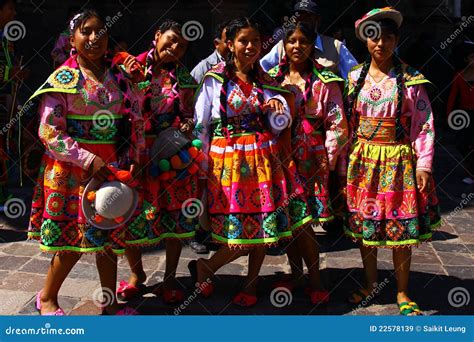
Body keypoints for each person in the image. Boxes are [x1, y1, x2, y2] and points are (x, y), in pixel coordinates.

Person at [26, 9, 144, 315]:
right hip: (71, 169)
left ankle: (110, 302)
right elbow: (49, 130)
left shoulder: (119, 78)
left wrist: (132, 156)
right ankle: (47, 297)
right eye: (86, 31)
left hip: (111, 166)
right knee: (71, 242)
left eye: (100, 32)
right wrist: (87, 159)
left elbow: (135, 119)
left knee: (107, 238)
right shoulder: (63, 79)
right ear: (72, 39)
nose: (94, 38)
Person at [191, 17, 311, 307]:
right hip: (227, 163)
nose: (250, 46)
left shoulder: (267, 81)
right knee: (238, 233)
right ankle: (207, 267)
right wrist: (201, 168)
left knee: (262, 227)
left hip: (262, 161)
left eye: (255, 41)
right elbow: (201, 124)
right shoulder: (214, 79)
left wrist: (277, 109)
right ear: (230, 44)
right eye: (244, 40)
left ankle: (251, 282)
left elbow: (281, 125)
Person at [344, 7, 441, 316]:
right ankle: (370, 284)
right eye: (374, 38)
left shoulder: (411, 80)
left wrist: (423, 164)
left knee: (401, 228)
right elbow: (346, 120)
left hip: (398, 161)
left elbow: (423, 124)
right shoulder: (353, 78)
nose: (380, 45)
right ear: (365, 41)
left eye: (387, 38)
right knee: (365, 226)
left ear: (396, 40)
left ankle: (401, 291)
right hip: (363, 161)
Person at [118, 19, 199, 305]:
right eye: (171, 39)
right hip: (137, 153)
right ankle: (137, 275)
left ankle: (170, 277)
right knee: (129, 215)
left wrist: (188, 125)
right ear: (157, 35)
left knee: (174, 216)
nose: (174, 47)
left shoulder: (185, 78)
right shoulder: (130, 69)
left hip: (172, 154)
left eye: (182, 45)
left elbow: (191, 113)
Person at [267, 21, 348, 303]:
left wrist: (329, 157)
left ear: (312, 45)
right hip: (278, 157)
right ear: (284, 46)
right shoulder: (270, 80)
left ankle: (314, 278)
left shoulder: (326, 81)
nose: (297, 46)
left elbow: (337, 124)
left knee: (304, 223)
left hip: (312, 159)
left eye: (303, 41)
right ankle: (296, 273)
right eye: (292, 41)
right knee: (289, 221)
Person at [260, 0, 358, 79]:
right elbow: (262, 68)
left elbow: (354, 76)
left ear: (317, 20)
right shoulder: (283, 46)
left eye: (308, 17)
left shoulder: (336, 47)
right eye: (299, 17)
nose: (302, 21)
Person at [0, 0, 28, 205]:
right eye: (10, 8)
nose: (14, 12)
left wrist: (15, 73)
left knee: (3, 145)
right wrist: (10, 73)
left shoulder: (6, 37)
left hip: (4, 98)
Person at [446, 40, 474, 184]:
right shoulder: (459, 76)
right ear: (466, 59)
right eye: (472, 57)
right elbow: (452, 97)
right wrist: (449, 114)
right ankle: (470, 171)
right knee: (462, 144)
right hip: (464, 115)